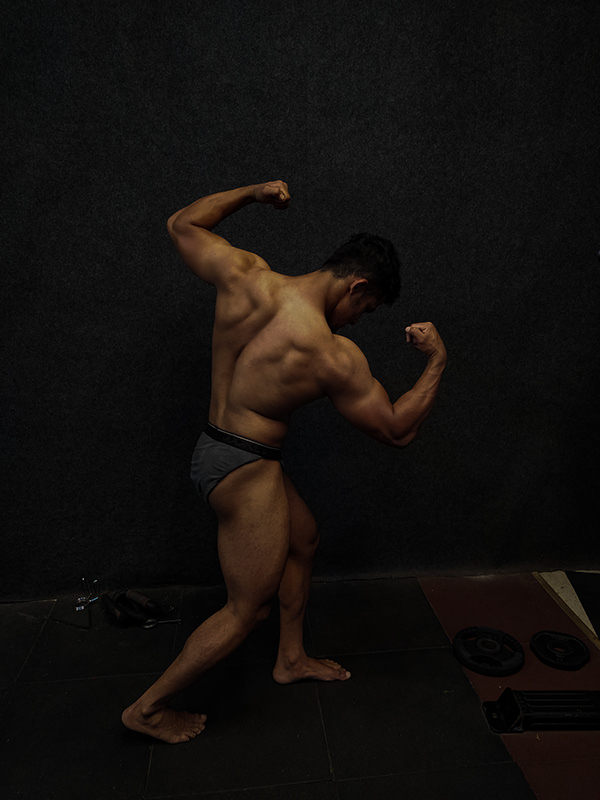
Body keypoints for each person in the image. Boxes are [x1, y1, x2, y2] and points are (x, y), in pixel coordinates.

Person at [122, 180, 447, 744]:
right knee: (247, 609)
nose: (356, 321)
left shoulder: (247, 274)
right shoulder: (329, 353)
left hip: (217, 448)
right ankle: (148, 708)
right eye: (364, 309)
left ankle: (290, 659)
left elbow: (182, 224)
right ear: (357, 285)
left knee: (304, 538)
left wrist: (253, 194)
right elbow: (397, 430)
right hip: (245, 468)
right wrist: (438, 360)